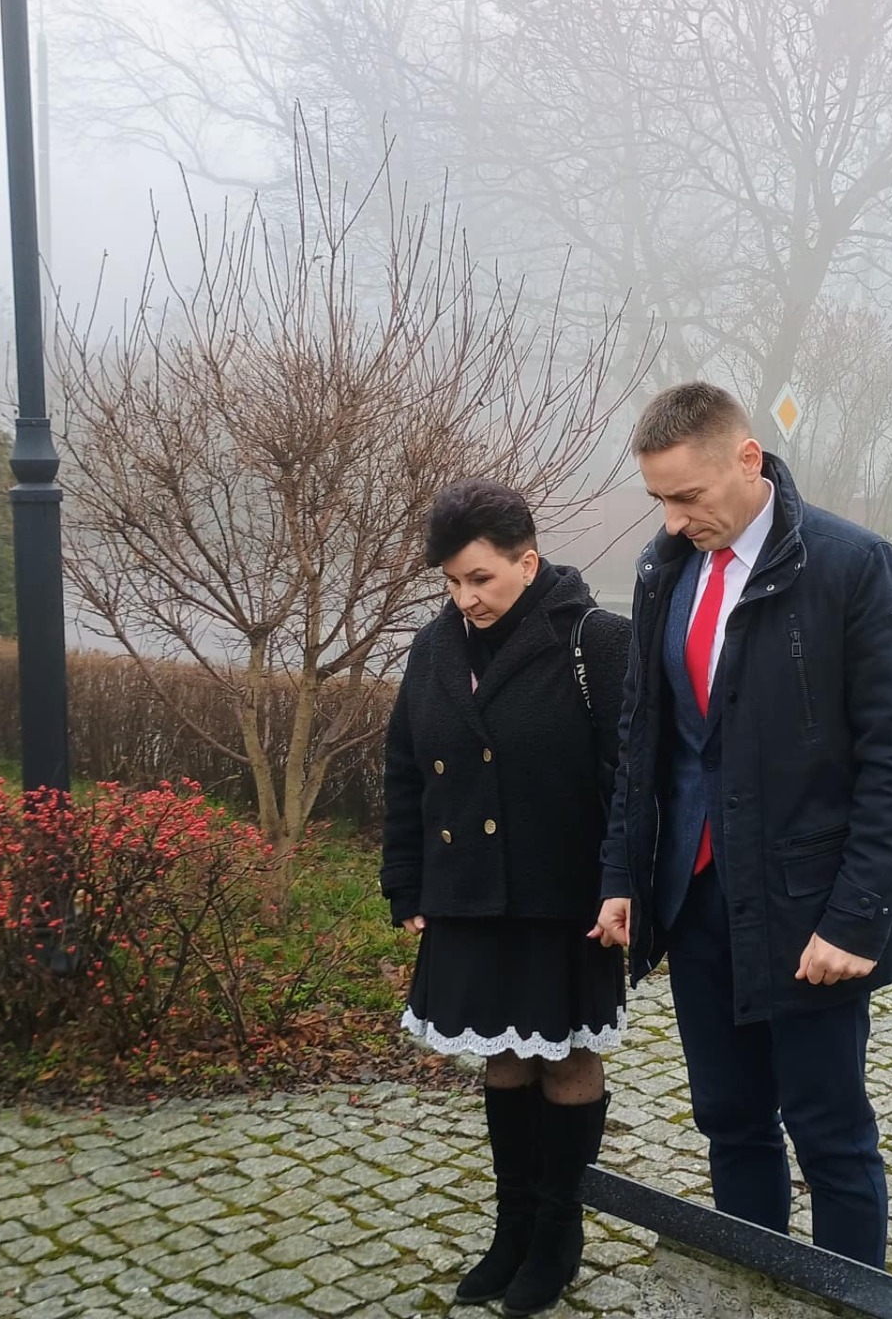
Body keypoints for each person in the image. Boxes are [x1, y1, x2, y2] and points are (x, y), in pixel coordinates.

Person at [590, 382, 892, 1267]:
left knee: (829, 1131)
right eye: (659, 498)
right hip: (696, 899)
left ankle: (846, 1298)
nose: (673, 520)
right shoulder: (665, 568)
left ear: (748, 459)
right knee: (729, 1118)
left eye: (687, 496)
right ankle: (752, 1282)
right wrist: (624, 875)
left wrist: (854, 919)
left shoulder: (852, 565)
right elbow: (644, 739)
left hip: (807, 911)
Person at [380, 477, 631, 1315]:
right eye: (452, 581)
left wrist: (622, 885)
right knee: (504, 1054)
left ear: (528, 562)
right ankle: (511, 1229)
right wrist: (405, 878)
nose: (465, 598)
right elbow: (405, 769)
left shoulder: (596, 642)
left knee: (565, 1056)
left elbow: (631, 780)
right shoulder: (434, 647)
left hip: (564, 896)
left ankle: (558, 1234)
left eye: (480, 578)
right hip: (469, 893)